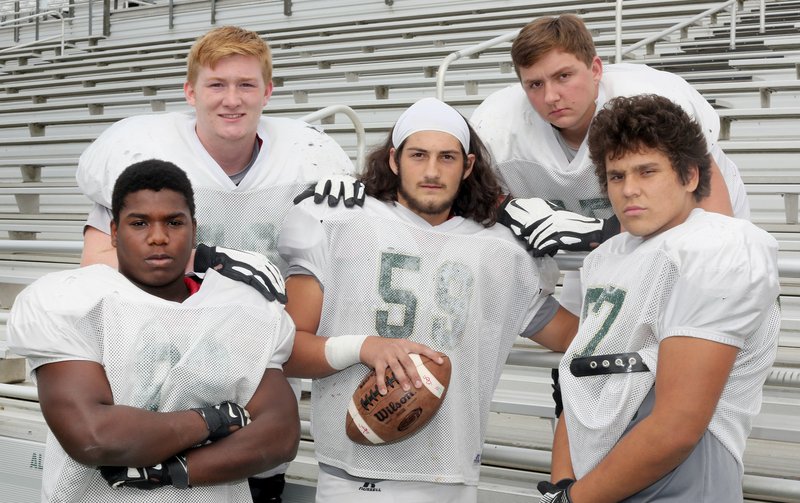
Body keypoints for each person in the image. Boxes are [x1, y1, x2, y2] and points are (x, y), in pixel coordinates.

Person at [75, 25, 359, 500]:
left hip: (255, 359)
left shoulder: (311, 158)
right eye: (216, 84)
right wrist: (201, 261)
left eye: (246, 84)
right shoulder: (144, 154)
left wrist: (360, 209)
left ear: (268, 91)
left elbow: (335, 274)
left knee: (262, 474)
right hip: (166, 355)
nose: (232, 99)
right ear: (190, 91)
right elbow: (97, 270)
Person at [277, 97, 579, 503]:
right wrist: (364, 347)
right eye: (418, 155)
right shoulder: (339, 222)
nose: (433, 171)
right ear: (395, 160)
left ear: (468, 166)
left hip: (450, 479)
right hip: (349, 476)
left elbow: (569, 336)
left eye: (447, 157)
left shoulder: (502, 251)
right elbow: (290, 350)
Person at [6, 159, 300, 502]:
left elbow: (279, 436)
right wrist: (216, 419)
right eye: (140, 223)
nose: (158, 237)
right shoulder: (73, 301)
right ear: (115, 232)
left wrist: (170, 471)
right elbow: (94, 436)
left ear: (194, 230)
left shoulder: (242, 308)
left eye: (174, 222)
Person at [537, 94, 780, 503]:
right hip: (594, 476)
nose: (629, 190)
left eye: (646, 171)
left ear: (689, 175)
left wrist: (574, 500)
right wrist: (564, 485)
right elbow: (578, 384)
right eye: (616, 176)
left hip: (679, 478)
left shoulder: (719, 245)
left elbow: (677, 427)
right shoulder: (606, 258)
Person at [471, 14, 750, 313]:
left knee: (689, 306)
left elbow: (718, 228)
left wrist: (600, 232)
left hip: (677, 227)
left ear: (595, 69)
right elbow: (477, 211)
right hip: (597, 240)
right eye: (535, 84)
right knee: (590, 333)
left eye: (564, 76)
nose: (551, 96)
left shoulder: (655, 99)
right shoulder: (496, 127)